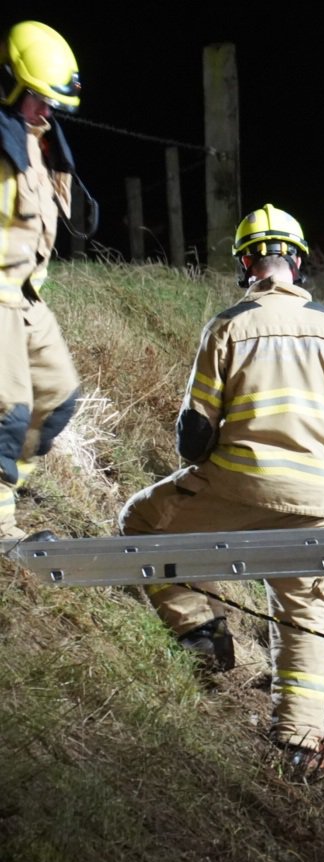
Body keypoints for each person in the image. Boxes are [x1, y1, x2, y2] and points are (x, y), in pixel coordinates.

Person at [119, 204, 324, 771]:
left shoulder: (229, 326)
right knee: (305, 614)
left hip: (235, 487)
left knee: (139, 524)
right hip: (317, 499)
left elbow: (195, 434)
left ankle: (199, 628)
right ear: (298, 261)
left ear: (247, 263)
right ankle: (299, 747)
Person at [0, 21, 86, 541]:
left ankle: (5, 486)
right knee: (8, 414)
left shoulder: (41, 142)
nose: (47, 111)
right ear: (10, 83)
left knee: (58, 400)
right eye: (38, 99)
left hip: (28, 298)